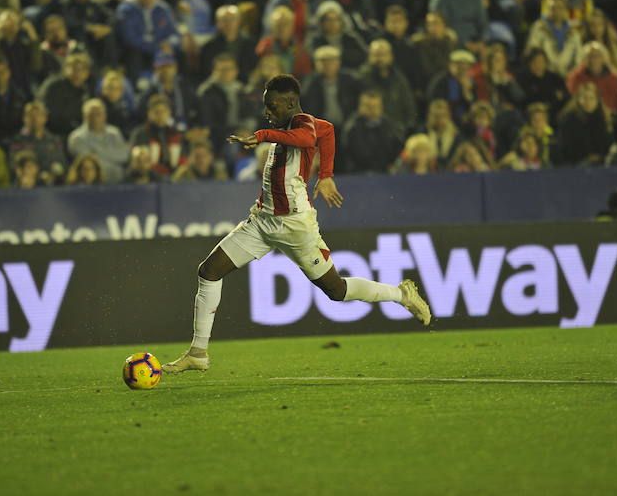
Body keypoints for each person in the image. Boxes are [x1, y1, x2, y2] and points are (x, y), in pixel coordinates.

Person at [162, 75, 431, 373]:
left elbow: (309, 138)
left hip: (295, 225)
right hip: (262, 221)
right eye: (266, 106)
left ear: (290, 102)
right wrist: (325, 174)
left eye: (272, 105)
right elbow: (327, 131)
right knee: (208, 271)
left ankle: (401, 294)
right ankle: (198, 353)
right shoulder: (291, 126)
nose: (267, 111)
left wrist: (264, 135)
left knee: (337, 290)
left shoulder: (301, 123)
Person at [116, 0, 180, 82]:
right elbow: (129, 38)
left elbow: (174, 33)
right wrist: (156, 46)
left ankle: (179, 87)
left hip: (159, 48)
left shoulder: (162, 8)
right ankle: (136, 87)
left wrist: (170, 43)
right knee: (133, 54)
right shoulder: (126, 10)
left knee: (180, 54)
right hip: (140, 49)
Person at [358, 39, 417, 132]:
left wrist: (409, 124)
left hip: (396, 128)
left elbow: (408, 102)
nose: (380, 59)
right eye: (376, 55)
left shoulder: (398, 78)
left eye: (383, 54)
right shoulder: (362, 78)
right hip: (370, 130)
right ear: (369, 57)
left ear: (391, 56)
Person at [340, 90, 405, 174]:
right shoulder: (351, 128)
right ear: (360, 107)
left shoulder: (391, 127)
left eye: (375, 106)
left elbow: (396, 149)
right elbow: (354, 155)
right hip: (358, 174)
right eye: (367, 106)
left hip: (386, 173)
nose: (372, 110)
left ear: (381, 107)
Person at [66, 97, 128, 183]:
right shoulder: (77, 137)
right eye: (92, 114)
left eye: (99, 114)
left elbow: (124, 155)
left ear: (105, 115)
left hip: (118, 181)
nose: (95, 117)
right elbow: (89, 163)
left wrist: (98, 151)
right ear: (85, 116)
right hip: (90, 183)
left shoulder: (114, 133)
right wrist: (112, 157)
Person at [300, 45, 361, 126]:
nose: (326, 66)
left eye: (330, 62)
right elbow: (307, 105)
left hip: (347, 124)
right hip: (322, 127)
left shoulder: (350, 79)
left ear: (338, 63)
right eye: (322, 63)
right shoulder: (310, 82)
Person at [8, 101, 67, 185]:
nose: (34, 119)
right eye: (30, 116)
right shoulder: (17, 141)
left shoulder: (54, 141)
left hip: (52, 185)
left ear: (45, 118)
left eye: (38, 115)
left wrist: (53, 175)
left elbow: (62, 163)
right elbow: (13, 165)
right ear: (24, 118)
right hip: (27, 186)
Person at [525, 0, 583, 77]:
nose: (556, 11)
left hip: (568, 76)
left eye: (560, 7)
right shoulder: (539, 28)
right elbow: (532, 52)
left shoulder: (573, 32)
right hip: (544, 75)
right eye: (553, 8)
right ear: (548, 9)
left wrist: (572, 76)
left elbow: (578, 59)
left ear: (565, 9)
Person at [37, 51, 93, 136]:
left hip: (76, 135)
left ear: (87, 73)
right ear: (64, 69)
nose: (76, 73)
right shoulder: (53, 86)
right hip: (51, 133)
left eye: (80, 69)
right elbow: (42, 109)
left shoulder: (86, 91)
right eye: (72, 68)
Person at [557, 82, 613, 167]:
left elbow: (608, 144)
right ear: (578, 100)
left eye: (591, 98)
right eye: (585, 98)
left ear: (597, 100)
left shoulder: (604, 119)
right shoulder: (569, 120)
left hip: (602, 162)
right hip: (576, 164)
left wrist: (600, 157)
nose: (588, 102)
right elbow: (566, 148)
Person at [305, 0, 368, 71]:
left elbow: (364, 55)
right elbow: (314, 56)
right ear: (321, 22)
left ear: (341, 21)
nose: (332, 23)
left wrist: (341, 54)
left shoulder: (351, 37)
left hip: (351, 73)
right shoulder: (315, 39)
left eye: (336, 19)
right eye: (328, 20)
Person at [130, 95, 184, 177]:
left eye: (163, 111)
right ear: (149, 113)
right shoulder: (140, 133)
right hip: (149, 175)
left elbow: (183, 156)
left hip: (174, 175)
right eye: (156, 112)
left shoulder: (175, 133)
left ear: (169, 113)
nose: (160, 115)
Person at [199, 4, 256, 81]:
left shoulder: (250, 44)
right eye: (224, 20)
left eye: (232, 19)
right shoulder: (209, 46)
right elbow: (206, 72)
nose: (228, 23)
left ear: (239, 21)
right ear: (217, 23)